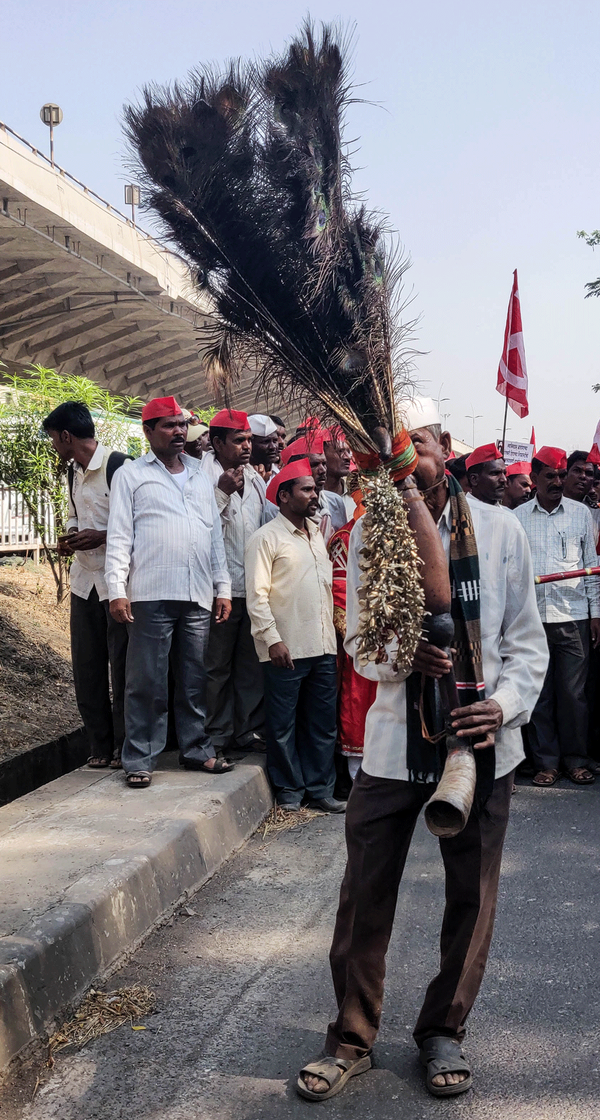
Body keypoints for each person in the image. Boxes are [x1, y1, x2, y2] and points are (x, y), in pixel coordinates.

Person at [297, 397, 547, 1102]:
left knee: (472, 897)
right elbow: (359, 646)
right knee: (364, 893)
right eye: (400, 446)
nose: (415, 456)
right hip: (393, 746)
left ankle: (443, 1030)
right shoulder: (373, 534)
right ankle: (351, 1036)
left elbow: (526, 643)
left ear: (443, 445)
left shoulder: (499, 530)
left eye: (425, 442)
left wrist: (502, 705)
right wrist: (405, 656)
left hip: (482, 741)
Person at [105, 396, 234, 789]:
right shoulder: (130, 474)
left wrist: (222, 587)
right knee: (146, 680)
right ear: (147, 431)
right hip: (149, 592)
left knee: (194, 677)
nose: (178, 431)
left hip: (196, 592)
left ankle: (196, 749)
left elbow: (213, 537)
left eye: (181, 424)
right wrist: (116, 589)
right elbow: (119, 535)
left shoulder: (200, 474)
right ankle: (140, 758)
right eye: (168, 425)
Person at [244, 459, 345, 813]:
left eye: (314, 489)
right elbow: (256, 596)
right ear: (284, 496)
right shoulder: (265, 538)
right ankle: (289, 791)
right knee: (283, 725)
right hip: (284, 648)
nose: (314, 495)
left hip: (322, 646)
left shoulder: (317, 535)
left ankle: (320, 789)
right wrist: (272, 639)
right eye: (306, 490)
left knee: (322, 724)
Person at [43, 401, 130, 770]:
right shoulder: (72, 473)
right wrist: (73, 536)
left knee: (124, 668)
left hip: (118, 585)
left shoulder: (121, 467)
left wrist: (103, 536)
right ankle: (100, 745)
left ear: (66, 436)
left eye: (53, 440)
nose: (53, 447)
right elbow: (77, 517)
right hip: (84, 584)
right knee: (88, 667)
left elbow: (143, 526)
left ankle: (127, 747)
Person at [515, 446, 600, 787]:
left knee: (573, 694)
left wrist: (596, 614)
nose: (557, 481)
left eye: (561, 476)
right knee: (540, 693)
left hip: (574, 615)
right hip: (532, 618)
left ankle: (576, 760)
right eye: (550, 476)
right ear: (534, 478)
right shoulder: (518, 517)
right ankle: (546, 762)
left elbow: (591, 570)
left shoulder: (580, 514)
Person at [201, 408, 270, 756]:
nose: (246, 446)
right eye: (238, 440)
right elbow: (197, 526)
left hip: (252, 587)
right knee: (216, 665)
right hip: (219, 588)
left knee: (249, 664)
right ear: (216, 443)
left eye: (248, 440)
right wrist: (221, 492)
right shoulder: (202, 475)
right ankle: (216, 733)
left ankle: (247, 730)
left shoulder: (256, 479)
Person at [282, 434, 347, 541]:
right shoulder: (281, 508)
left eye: (324, 464)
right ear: (297, 468)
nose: (322, 470)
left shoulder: (335, 502)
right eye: (314, 464)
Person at [323, 427, 355, 520]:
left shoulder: (356, 493)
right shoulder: (316, 500)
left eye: (348, 451)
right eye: (340, 451)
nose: (348, 457)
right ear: (323, 455)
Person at [248, 414, 280, 481]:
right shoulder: (244, 476)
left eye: (275, 441)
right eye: (265, 442)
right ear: (250, 444)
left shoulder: (281, 470)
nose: (273, 447)